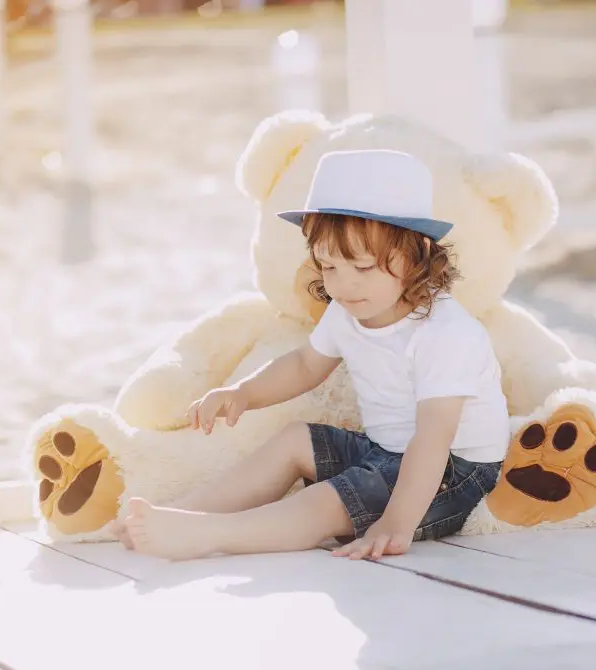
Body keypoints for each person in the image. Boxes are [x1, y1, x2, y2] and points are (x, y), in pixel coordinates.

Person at [116, 149, 509, 562]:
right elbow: (305, 365)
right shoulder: (349, 309)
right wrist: (243, 393)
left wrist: (397, 523)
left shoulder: (445, 333)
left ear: (416, 254)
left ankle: (214, 534)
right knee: (294, 440)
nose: (343, 285)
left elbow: (433, 438)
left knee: (329, 502)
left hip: (452, 472)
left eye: (362, 267)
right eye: (329, 266)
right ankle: (184, 514)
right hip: (387, 451)